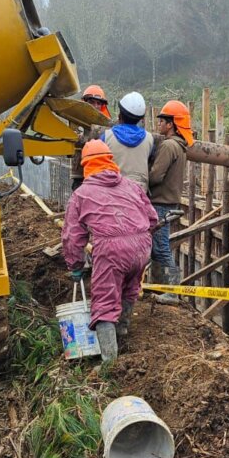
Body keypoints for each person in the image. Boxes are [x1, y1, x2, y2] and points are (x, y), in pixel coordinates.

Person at [62, 139, 158, 359]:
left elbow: (72, 237)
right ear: (110, 161)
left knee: (104, 302)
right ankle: (121, 332)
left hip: (111, 249)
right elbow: (152, 218)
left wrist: (75, 265)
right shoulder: (131, 185)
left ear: (86, 165)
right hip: (142, 245)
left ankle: (110, 362)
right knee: (130, 289)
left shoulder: (82, 194)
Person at [147, 99, 192, 304]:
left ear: (171, 124)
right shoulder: (181, 147)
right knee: (157, 247)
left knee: (161, 246)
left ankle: (172, 291)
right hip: (169, 202)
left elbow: (156, 176)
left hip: (160, 202)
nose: (159, 125)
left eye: (162, 121)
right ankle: (161, 287)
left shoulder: (168, 146)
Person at [102, 92, 153, 191]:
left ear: (120, 115)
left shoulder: (106, 137)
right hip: (138, 197)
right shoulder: (149, 139)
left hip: (112, 195)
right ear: (141, 118)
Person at [71, 84, 112, 191]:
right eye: (92, 102)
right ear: (85, 102)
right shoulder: (76, 119)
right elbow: (74, 139)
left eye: (98, 103)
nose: (96, 105)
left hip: (99, 170)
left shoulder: (106, 123)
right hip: (80, 171)